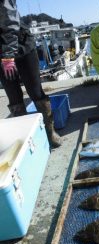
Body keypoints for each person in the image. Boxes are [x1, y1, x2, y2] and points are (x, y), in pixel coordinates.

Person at [0, 0, 62, 148]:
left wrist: (8, 55)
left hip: (22, 44)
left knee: (35, 91)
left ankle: (50, 131)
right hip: (1, 52)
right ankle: (25, 137)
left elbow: (9, 18)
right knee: (13, 97)